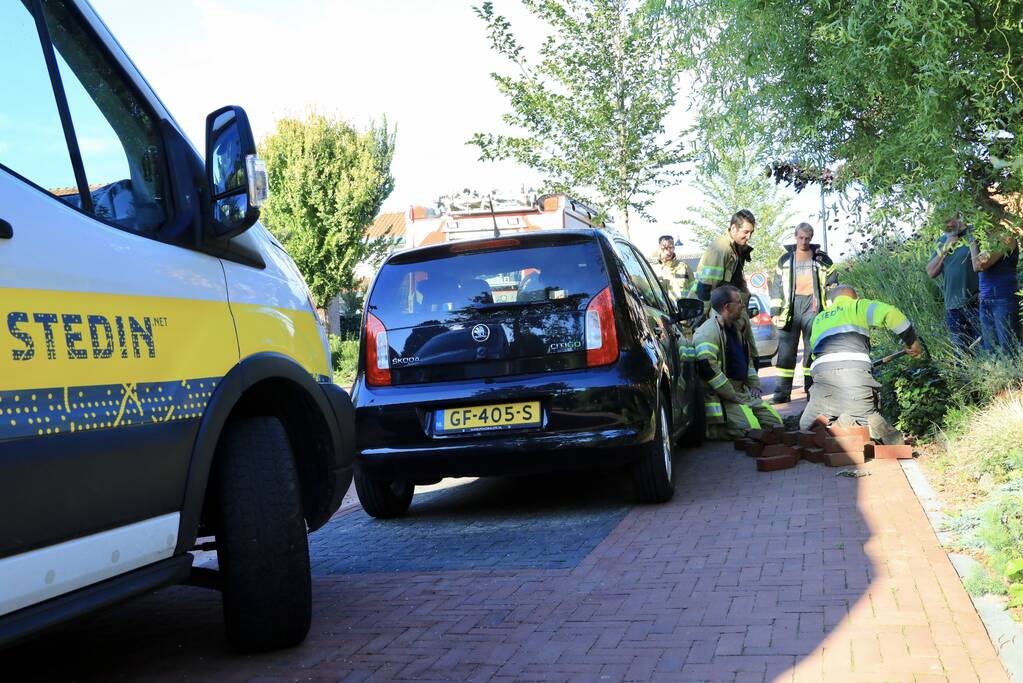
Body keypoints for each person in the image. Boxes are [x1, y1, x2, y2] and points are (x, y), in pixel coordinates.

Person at [799, 285, 923, 444]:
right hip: (855, 380)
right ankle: (867, 426)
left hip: (822, 383)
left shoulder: (819, 319)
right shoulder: (858, 306)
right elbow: (891, 313)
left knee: (806, 429)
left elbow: (815, 354)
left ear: (830, 303)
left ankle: (836, 426)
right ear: (856, 297)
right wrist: (912, 342)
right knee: (866, 426)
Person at [694, 285, 783, 440]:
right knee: (751, 428)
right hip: (721, 396)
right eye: (739, 302)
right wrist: (731, 394)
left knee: (775, 423)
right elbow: (707, 367)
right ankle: (710, 431)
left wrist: (754, 384)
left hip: (740, 392)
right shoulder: (707, 332)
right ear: (727, 307)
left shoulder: (735, 330)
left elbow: (746, 362)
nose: (743, 305)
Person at [769, 222, 836, 403]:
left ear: (811, 238)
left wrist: (830, 311)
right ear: (795, 236)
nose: (804, 241)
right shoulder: (785, 260)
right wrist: (775, 310)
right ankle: (782, 393)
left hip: (813, 307)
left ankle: (812, 391)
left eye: (807, 238)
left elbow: (832, 285)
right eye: (801, 237)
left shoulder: (822, 259)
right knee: (785, 352)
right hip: (790, 308)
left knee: (812, 350)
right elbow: (776, 286)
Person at [693, 209, 759, 354]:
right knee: (735, 357)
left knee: (748, 354)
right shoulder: (720, 249)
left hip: (734, 312)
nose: (748, 237)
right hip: (722, 314)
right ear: (733, 228)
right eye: (746, 232)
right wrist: (700, 319)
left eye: (751, 233)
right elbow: (706, 288)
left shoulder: (735, 249)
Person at [926, 213, 980, 353]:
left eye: (949, 220)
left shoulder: (976, 232)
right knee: (962, 355)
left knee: (982, 349)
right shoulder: (942, 241)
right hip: (953, 307)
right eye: (943, 223)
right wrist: (945, 248)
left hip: (976, 301)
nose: (947, 225)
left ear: (958, 216)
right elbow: (931, 272)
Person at [969, 230, 1021, 354]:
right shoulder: (983, 239)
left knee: (1009, 351)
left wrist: (971, 238)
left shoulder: (1005, 237)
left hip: (1004, 300)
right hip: (986, 300)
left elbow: (978, 265)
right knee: (991, 352)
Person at [651, 234, 693, 302]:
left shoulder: (684, 267)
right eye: (664, 248)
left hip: (682, 310)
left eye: (671, 247)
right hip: (661, 311)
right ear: (659, 248)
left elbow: (694, 290)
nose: (668, 251)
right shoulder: (653, 269)